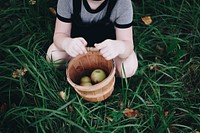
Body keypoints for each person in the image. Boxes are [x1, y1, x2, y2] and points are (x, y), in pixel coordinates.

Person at [46, 0, 138, 78]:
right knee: (53, 55)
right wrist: (66, 43)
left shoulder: (122, 3)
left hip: (107, 52)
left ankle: (107, 68)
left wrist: (119, 47)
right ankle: (79, 65)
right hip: (79, 50)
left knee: (129, 66)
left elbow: (128, 43)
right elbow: (60, 34)